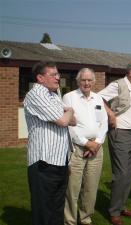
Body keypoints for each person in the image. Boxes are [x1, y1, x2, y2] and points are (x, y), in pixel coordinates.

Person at [23, 61, 75, 225]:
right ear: (40, 78)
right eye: (53, 75)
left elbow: (73, 121)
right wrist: (70, 110)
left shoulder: (53, 95)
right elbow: (63, 120)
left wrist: (68, 114)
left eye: (58, 74)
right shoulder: (36, 94)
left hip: (59, 161)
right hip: (44, 163)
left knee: (57, 208)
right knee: (44, 211)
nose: (58, 77)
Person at [98, 60, 131, 225]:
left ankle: (121, 205)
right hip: (120, 135)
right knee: (121, 174)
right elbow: (98, 98)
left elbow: (129, 109)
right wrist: (110, 114)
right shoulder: (118, 85)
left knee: (128, 174)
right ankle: (114, 212)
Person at [63, 68, 108, 225]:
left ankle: (86, 219)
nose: (86, 83)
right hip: (77, 148)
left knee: (91, 188)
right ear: (78, 81)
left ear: (94, 82)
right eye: (83, 80)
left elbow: (104, 123)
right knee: (72, 188)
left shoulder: (98, 98)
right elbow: (69, 125)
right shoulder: (69, 97)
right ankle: (69, 221)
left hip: (96, 148)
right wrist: (86, 143)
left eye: (89, 80)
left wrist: (96, 143)